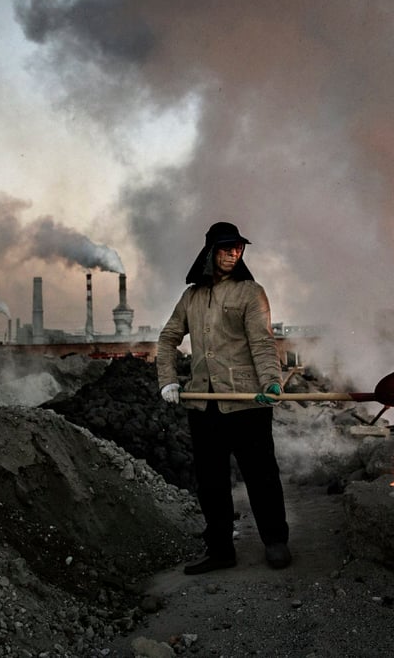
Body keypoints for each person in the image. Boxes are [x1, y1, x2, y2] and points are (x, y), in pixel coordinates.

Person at [156, 221, 291, 574]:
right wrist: (168, 381)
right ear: (211, 251)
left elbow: (262, 343)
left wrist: (272, 383)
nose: (235, 253)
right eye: (227, 248)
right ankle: (220, 551)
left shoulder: (250, 292)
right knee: (211, 482)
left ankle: (275, 541)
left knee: (261, 475)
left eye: (239, 248)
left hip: (247, 402)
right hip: (204, 405)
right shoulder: (192, 297)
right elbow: (167, 338)